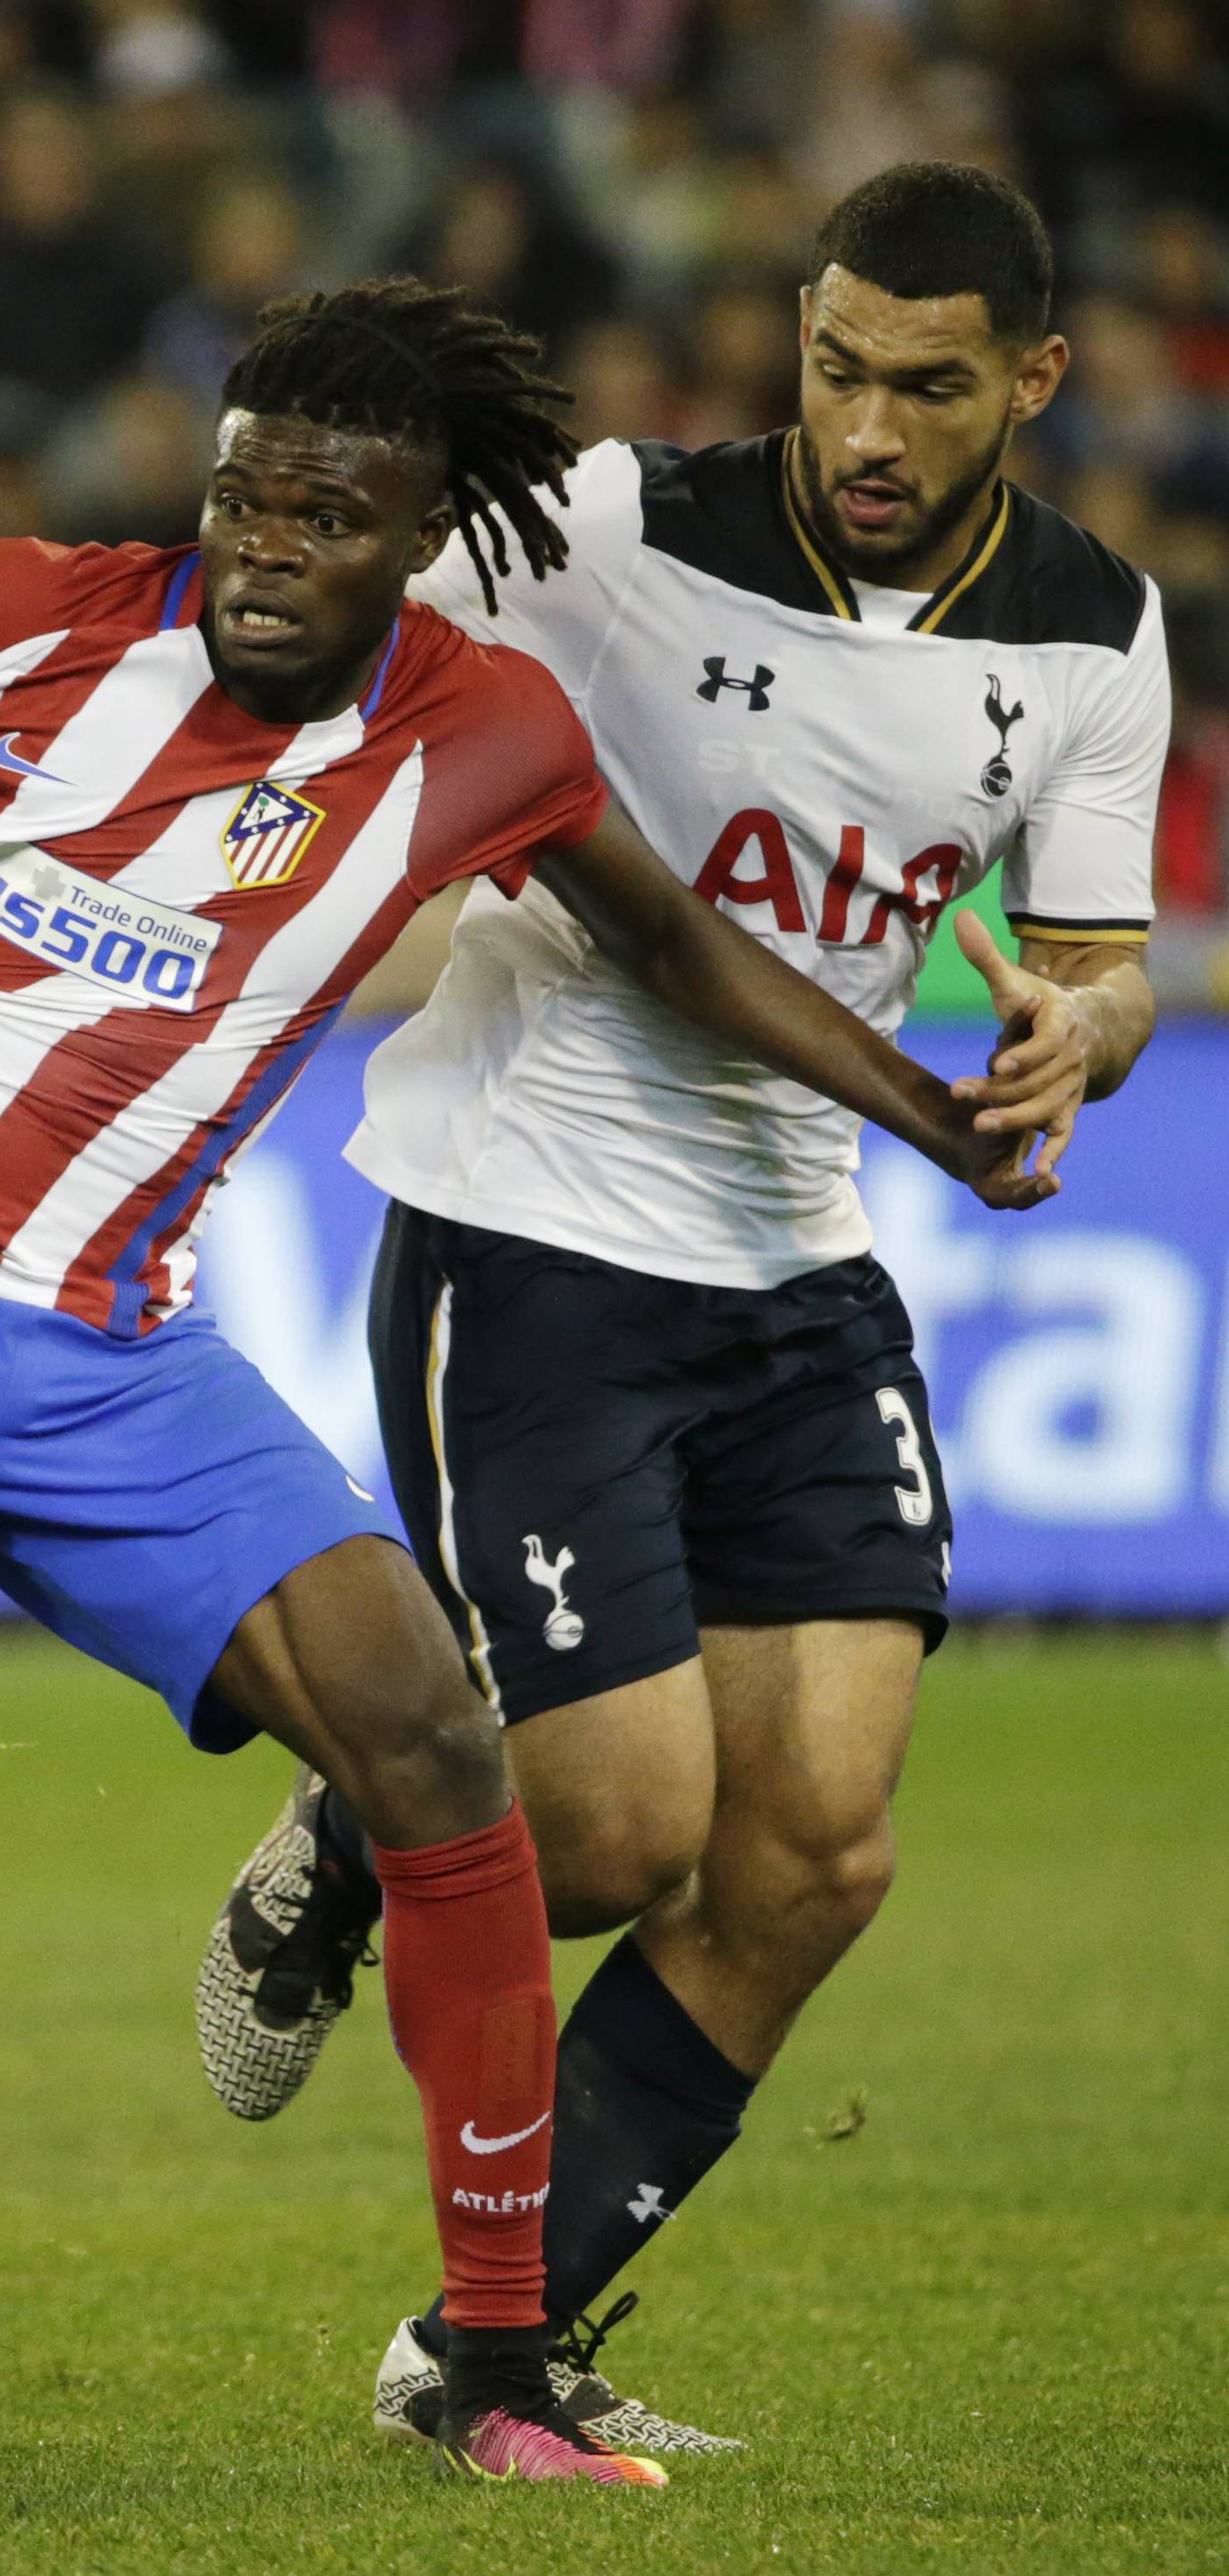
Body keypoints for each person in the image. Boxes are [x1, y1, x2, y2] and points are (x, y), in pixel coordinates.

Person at [0, 275, 1048, 2491]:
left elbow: (670, 940)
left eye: (327, 515)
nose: (262, 546)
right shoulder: (34, 609)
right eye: (243, 494)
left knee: (440, 1746)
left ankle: (499, 2364)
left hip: (118, 1364)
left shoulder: (486, 731)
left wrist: (924, 1107)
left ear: (420, 529)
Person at [194, 169, 1164, 2455]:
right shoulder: (617, 524)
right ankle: (347, 1823)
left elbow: (1104, 964)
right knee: (619, 1838)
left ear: (1029, 379)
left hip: (801, 1258)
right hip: (531, 1226)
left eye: (928, 386)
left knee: (816, 1847)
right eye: (836, 367)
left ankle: (484, 2351)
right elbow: (282, 628)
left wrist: (1075, 1038)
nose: (868, 425)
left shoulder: (1096, 634)